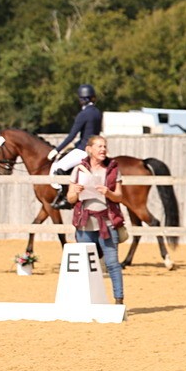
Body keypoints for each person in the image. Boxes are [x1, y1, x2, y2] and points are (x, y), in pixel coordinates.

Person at [67, 135, 125, 305]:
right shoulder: (78, 170)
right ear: (89, 149)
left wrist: (108, 192)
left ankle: (119, 301)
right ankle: (84, 301)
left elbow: (119, 197)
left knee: (113, 263)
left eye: (105, 146)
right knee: (84, 266)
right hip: (85, 224)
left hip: (107, 223)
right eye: (99, 146)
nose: (103, 149)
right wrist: (76, 191)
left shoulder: (113, 170)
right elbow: (70, 199)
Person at [49, 83, 103, 210]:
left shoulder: (83, 114)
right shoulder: (97, 112)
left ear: (82, 99)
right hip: (93, 147)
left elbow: (71, 135)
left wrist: (56, 150)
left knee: (58, 167)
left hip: (83, 150)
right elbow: (94, 132)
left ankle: (65, 198)